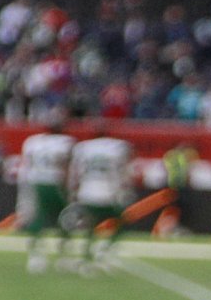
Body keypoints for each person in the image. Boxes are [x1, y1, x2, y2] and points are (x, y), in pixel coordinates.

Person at [68, 127, 134, 270]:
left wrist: (73, 191)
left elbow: (76, 173)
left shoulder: (83, 148)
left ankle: (86, 257)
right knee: (121, 222)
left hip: (87, 193)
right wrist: (123, 191)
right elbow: (122, 170)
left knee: (90, 227)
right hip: (107, 193)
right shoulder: (116, 147)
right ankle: (105, 248)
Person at [18, 112, 75, 274]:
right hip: (54, 182)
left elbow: (26, 167)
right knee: (65, 218)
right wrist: (69, 190)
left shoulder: (33, 142)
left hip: (35, 182)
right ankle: (63, 256)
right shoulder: (66, 142)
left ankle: (36, 256)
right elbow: (66, 168)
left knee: (37, 218)